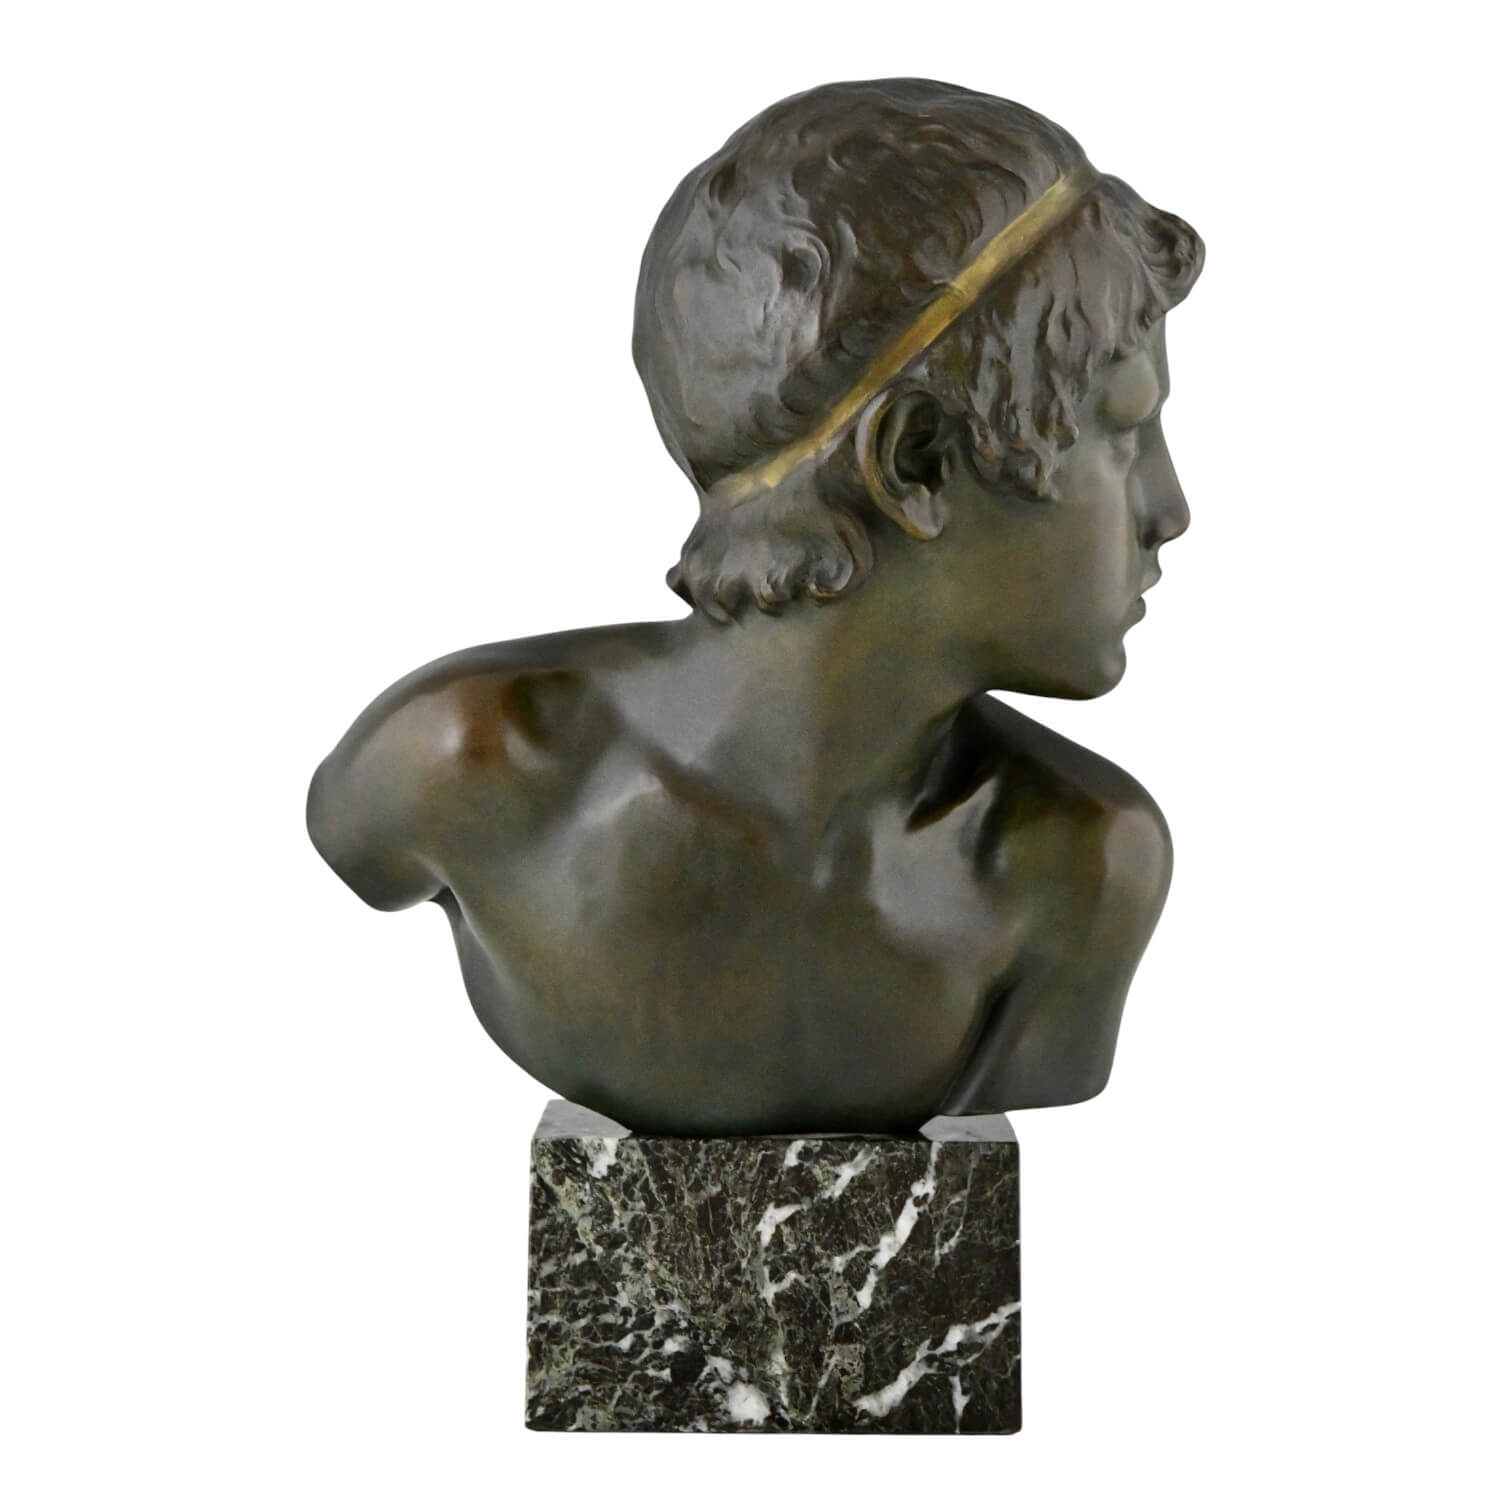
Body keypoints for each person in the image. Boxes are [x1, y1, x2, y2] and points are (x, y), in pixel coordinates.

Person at [307, 79, 1204, 1134]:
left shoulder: (1081, 871)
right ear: (915, 460)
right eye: (1121, 431)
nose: (1171, 510)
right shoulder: (463, 767)